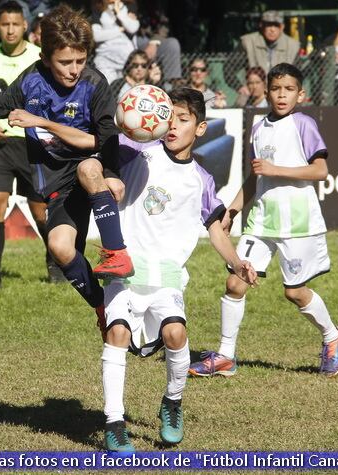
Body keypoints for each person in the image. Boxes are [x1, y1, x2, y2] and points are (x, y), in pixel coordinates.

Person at [0, 4, 134, 331]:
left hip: (90, 175)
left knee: (89, 169)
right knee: (60, 249)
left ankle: (117, 253)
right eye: (65, 62)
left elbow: (104, 137)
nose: (74, 69)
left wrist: (112, 174)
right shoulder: (32, 81)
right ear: (46, 58)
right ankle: (103, 307)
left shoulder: (94, 83)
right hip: (58, 188)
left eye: (80, 61)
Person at [99, 88, 256, 451]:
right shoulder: (140, 151)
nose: (173, 126)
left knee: (175, 335)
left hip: (167, 273)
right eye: (169, 117)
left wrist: (236, 262)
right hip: (126, 267)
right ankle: (113, 421)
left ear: (199, 128)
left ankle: (172, 402)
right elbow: (110, 142)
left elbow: (215, 229)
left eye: (183, 120)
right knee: (117, 335)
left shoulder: (201, 179)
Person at [189, 63, 338, 379]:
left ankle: (334, 336)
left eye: (289, 89)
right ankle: (225, 356)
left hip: (298, 224)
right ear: (266, 91)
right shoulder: (259, 127)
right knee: (236, 281)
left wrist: (277, 169)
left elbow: (320, 171)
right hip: (262, 221)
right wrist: (233, 211)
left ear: (300, 94)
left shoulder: (303, 124)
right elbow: (255, 177)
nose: (282, 94)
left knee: (294, 292)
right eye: (276, 88)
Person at [0, 1, 59, 291]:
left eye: (15, 24)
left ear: (25, 27)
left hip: (34, 145)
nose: (10, 29)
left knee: (40, 211)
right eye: (4, 24)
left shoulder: (40, 58)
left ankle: (54, 263)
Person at [91, 0, 140, 84]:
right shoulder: (98, 8)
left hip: (127, 61)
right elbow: (96, 36)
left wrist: (119, 12)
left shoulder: (129, 6)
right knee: (108, 89)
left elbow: (132, 28)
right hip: (106, 61)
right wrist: (119, 29)